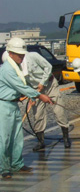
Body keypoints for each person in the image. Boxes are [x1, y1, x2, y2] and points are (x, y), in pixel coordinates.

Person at [0, 38, 53, 179]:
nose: (22, 56)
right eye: (19, 54)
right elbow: (21, 87)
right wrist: (39, 96)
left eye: (22, 54)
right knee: (4, 138)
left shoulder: (15, 67)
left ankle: (17, 164)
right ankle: (3, 168)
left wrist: (30, 96)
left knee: (17, 136)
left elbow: (22, 87)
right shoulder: (7, 69)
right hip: (4, 106)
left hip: (13, 104)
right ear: (10, 53)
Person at [21, 50, 71, 151]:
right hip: (36, 90)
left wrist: (42, 83)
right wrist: (32, 96)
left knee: (59, 111)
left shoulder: (33, 56)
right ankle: (41, 142)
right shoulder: (17, 68)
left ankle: (66, 138)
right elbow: (25, 84)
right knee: (38, 115)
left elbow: (48, 67)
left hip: (49, 84)